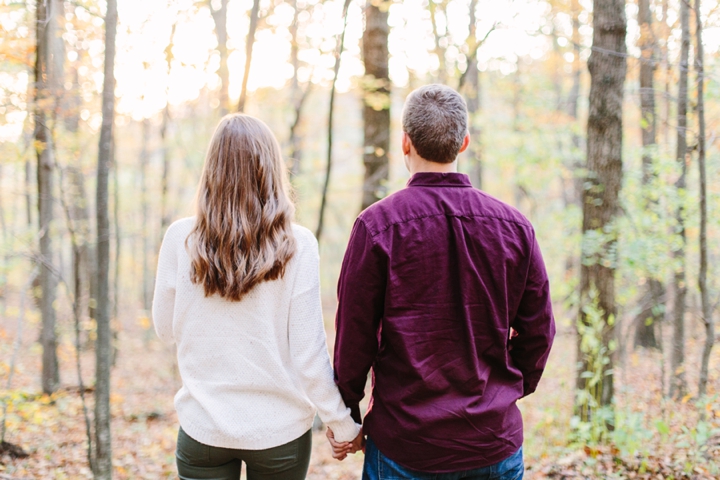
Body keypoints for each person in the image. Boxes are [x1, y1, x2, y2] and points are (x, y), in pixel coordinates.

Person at [328, 84, 556, 479]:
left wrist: (346, 418)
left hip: (406, 444)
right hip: (491, 443)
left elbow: (354, 339)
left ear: (405, 143)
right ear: (464, 142)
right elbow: (540, 332)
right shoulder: (515, 228)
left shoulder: (377, 227)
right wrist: (502, 395)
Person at [152, 114, 361, 480]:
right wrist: (343, 427)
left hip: (204, 428)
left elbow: (164, 329)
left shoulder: (179, 238)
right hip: (279, 434)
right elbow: (309, 355)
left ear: (212, 170)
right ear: (271, 168)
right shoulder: (298, 244)